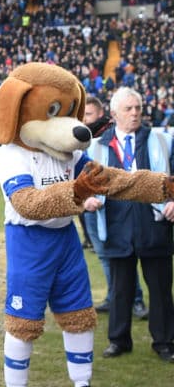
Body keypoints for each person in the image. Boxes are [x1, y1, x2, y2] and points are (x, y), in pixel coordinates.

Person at [89, 87, 174, 362]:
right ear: (114, 114)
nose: (135, 113)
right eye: (128, 109)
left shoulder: (160, 139)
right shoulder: (99, 146)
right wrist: (89, 199)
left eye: (138, 107)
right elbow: (86, 182)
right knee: (120, 288)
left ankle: (164, 342)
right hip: (116, 222)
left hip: (153, 221)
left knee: (160, 288)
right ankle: (118, 340)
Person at [81, 96, 147, 318]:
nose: (84, 120)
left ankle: (135, 299)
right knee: (103, 255)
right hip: (92, 206)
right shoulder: (81, 140)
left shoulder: (112, 138)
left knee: (123, 254)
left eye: (88, 115)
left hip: (115, 208)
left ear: (102, 115)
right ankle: (115, 296)